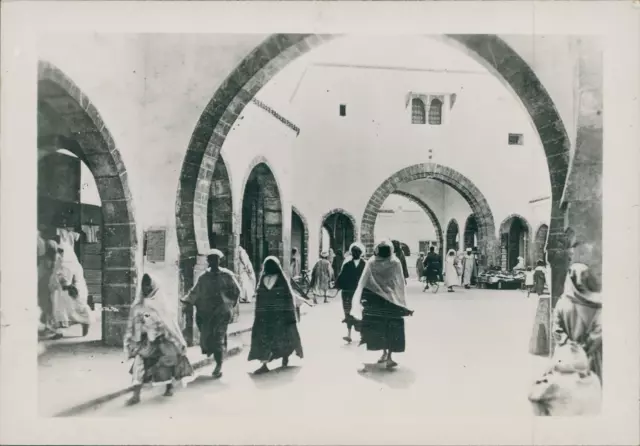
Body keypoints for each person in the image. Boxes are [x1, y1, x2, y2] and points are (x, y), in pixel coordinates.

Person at [124, 274, 194, 405]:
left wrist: (179, 341)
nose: (146, 289)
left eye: (148, 286)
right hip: (145, 342)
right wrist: (131, 341)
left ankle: (169, 387)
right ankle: (136, 395)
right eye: (144, 286)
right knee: (138, 366)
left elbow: (171, 325)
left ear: (154, 287)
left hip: (162, 340)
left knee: (166, 365)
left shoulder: (161, 304)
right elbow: (132, 325)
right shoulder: (138, 304)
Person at [350, 239, 413, 370]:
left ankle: (384, 353)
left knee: (380, 328)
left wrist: (362, 298)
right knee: (392, 328)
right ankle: (389, 357)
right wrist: (403, 302)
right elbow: (400, 283)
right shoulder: (395, 262)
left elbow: (364, 282)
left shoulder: (372, 262)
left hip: (375, 301)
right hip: (392, 301)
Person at [181, 249, 241, 379]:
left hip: (221, 313)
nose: (213, 262)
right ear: (208, 261)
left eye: (216, 259)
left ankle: (218, 365)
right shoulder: (204, 277)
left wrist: (230, 305)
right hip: (207, 313)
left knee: (218, 338)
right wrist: (186, 301)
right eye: (211, 259)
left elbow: (236, 291)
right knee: (208, 338)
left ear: (219, 260)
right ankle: (215, 356)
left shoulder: (227, 275)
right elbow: (195, 292)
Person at [249, 256, 304, 375]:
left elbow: (259, 300)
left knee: (266, 340)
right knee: (282, 337)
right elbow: (288, 298)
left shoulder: (262, 281)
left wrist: (258, 317)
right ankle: (284, 357)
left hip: (266, 317)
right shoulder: (281, 280)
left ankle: (264, 364)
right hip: (280, 316)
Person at [552, 263, 602, 383]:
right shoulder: (597, 303)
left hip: (566, 355)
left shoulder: (562, 302)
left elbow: (556, 328)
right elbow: (599, 331)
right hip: (589, 355)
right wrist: (584, 347)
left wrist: (568, 344)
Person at [49, 237, 91, 339]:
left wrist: (63, 282)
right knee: (59, 310)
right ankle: (59, 331)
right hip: (63, 290)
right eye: (59, 251)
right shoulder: (61, 261)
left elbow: (66, 278)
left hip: (70, 290)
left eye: (61, 251)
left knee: (74, 309)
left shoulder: (68, 264)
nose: (60, 253)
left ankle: (85, 323)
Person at [336, 242, 366, 344]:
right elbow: (341, 277)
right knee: (348, 313)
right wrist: (338, 286)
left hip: (360, 293)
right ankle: (349, 334)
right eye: (353, 252)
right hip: (348, 293)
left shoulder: (365, 265)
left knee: (361, 313)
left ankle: (362, 335)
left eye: (357, 252)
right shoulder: (347, 264)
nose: (355, 253)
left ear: (361, 253)